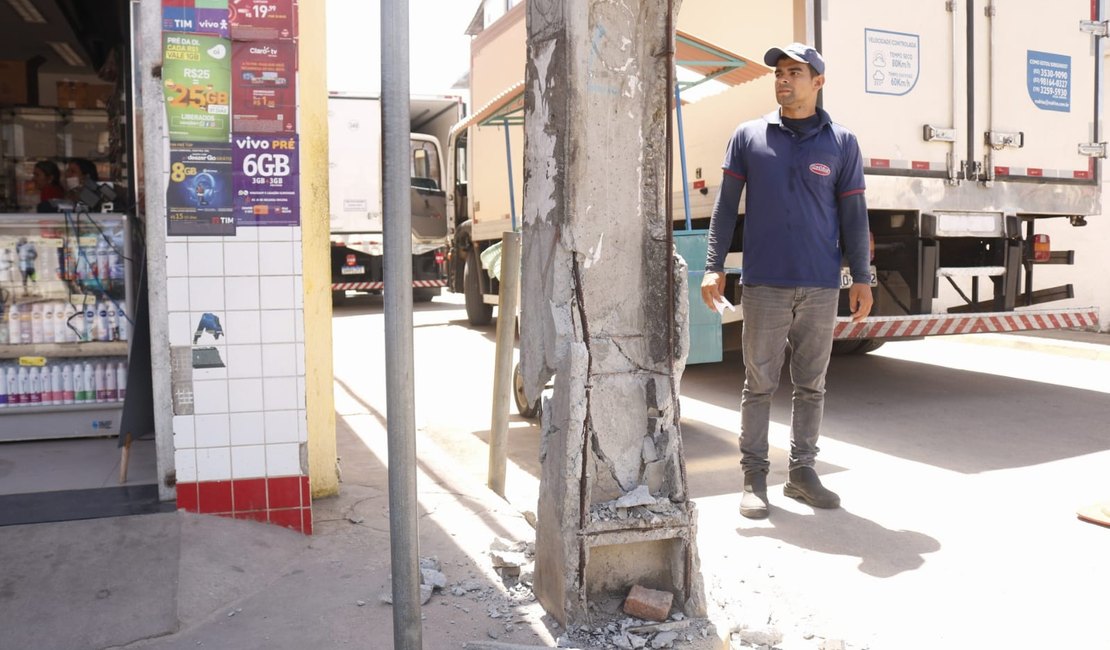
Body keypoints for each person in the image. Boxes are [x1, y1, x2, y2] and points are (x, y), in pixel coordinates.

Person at [700, 43, 873, 519]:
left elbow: (853, 215)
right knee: (759, 384)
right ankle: (754, 478)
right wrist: (713, 264)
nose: (783, 80)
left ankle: (802, 474)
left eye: (795, 72)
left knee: (811, 385)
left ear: (818, 82)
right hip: (764, 284)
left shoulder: (842, 143)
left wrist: (860, 277)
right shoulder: (749, 136)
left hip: (820, 285)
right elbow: (724, 207)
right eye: (779, 72)